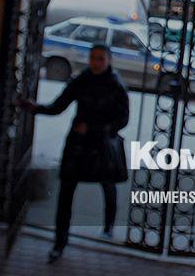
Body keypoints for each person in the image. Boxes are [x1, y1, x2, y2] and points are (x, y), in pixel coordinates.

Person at [19, 44, 129, 263]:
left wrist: (95, 128)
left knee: (108, 185)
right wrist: (35, 108)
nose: (96, 62)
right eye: (93, 58)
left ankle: (108, 226)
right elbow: (59, 105)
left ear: (108, 60)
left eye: (100, 58)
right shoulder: (82, 80)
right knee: (66, 190)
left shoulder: (116, 85)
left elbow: (123, 119)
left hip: (102, 144)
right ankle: (59, 242)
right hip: (78, 144)